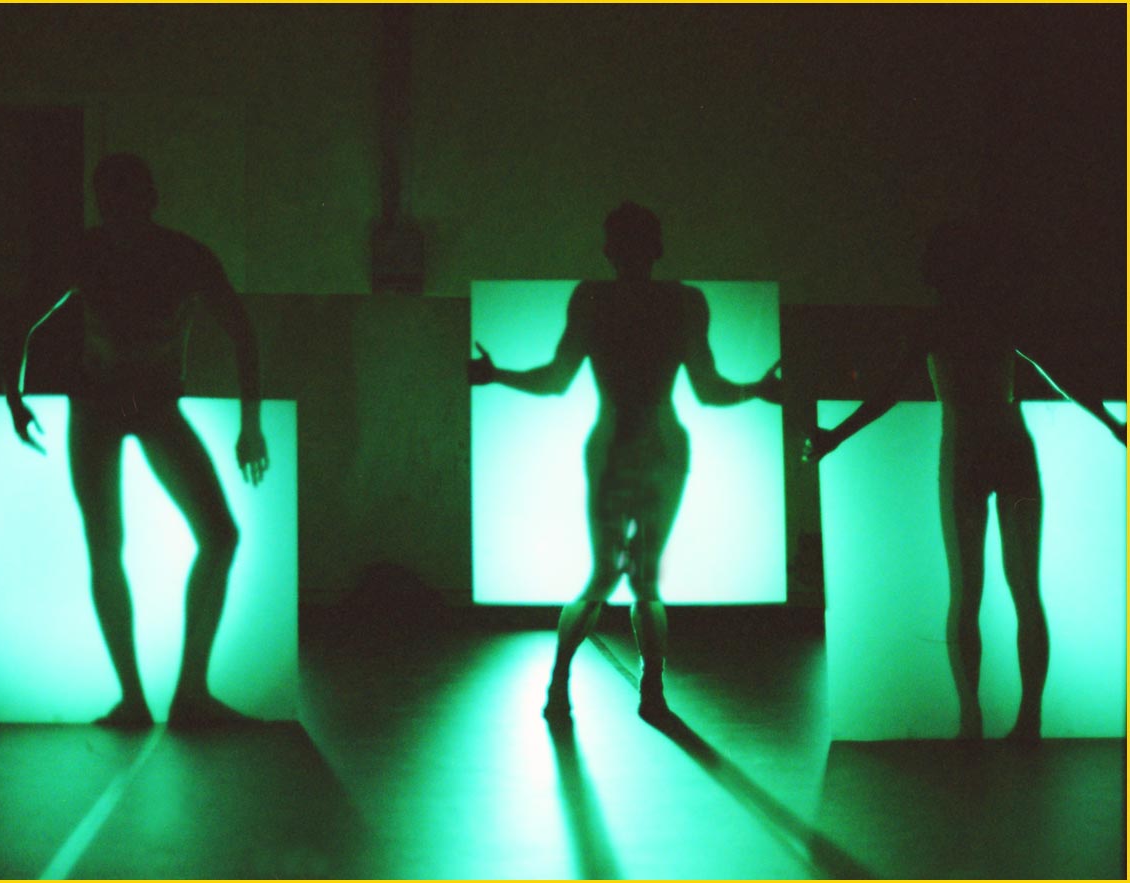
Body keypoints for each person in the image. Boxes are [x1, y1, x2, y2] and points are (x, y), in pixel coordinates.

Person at [803, 216, 1125, 740]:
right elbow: (1061, 372)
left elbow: (888, 392)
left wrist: (835, 436)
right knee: (1021, 592)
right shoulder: (994, 318)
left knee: (971, 592)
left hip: (968, 456)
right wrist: (1110, 422)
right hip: (1008, 451)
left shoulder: (938, 324)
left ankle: (975, 718)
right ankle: (1022, 718)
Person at [469, 202, 780, 723]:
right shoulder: (681, 302)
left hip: (624, 446)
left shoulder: (599, 299)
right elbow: (708, 389)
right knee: (640, 577)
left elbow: (556, 379)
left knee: (613, 575)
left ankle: (567, 680)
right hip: (657, 447)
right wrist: (757, 390)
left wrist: (496, 375)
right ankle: (640, 686)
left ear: (610, 249)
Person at [5, 153, 269, 728]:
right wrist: (12, 395)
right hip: (107, 405)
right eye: (110, 199)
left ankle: (177, 695)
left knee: (208, 536)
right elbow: (26, 317)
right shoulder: (108, 252)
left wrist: (252, 424)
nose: (118, 209)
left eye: (124, 198)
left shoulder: (177, 256)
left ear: (147, 199)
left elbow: (241, 331)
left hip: (135, 405)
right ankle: (153, 697)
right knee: (120, 542)